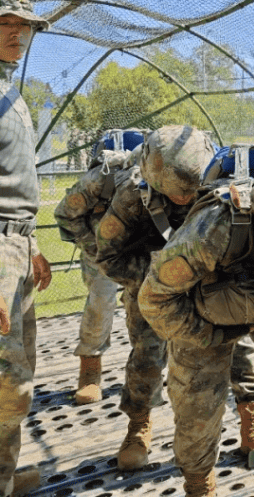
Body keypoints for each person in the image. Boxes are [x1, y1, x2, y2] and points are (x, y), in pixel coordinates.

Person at [92, 125, 254, 472]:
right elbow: (109, 256)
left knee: (243, 351)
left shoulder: (220, 181)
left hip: (213, 284)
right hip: (154, 290)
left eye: (193, 192)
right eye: (178, 194)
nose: (187, 200)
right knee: (146, 356)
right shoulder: (133, 194)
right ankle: (138, 428)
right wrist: (163, 276)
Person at [138, 158, 254, 497]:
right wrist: (210, 334)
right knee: (196, 403)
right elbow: (153, 300)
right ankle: (199, 482)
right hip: (203, 313)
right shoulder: (214, 228)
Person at [0, 0, 52, 497]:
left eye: (24, 26)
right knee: (5, 388)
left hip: (16, 246)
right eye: (5, 24)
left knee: (19, 381)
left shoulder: (11, 91)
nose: (17, 34)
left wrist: (30, 243)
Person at [54, 144, 138, 405]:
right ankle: (90, 371)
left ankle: (147, 370)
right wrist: (94, 247)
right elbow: (66, 214)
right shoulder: (99, 180)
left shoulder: (162, 179)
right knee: (101, 300)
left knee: (150, 302)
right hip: (98, 245)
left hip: (137, 246)